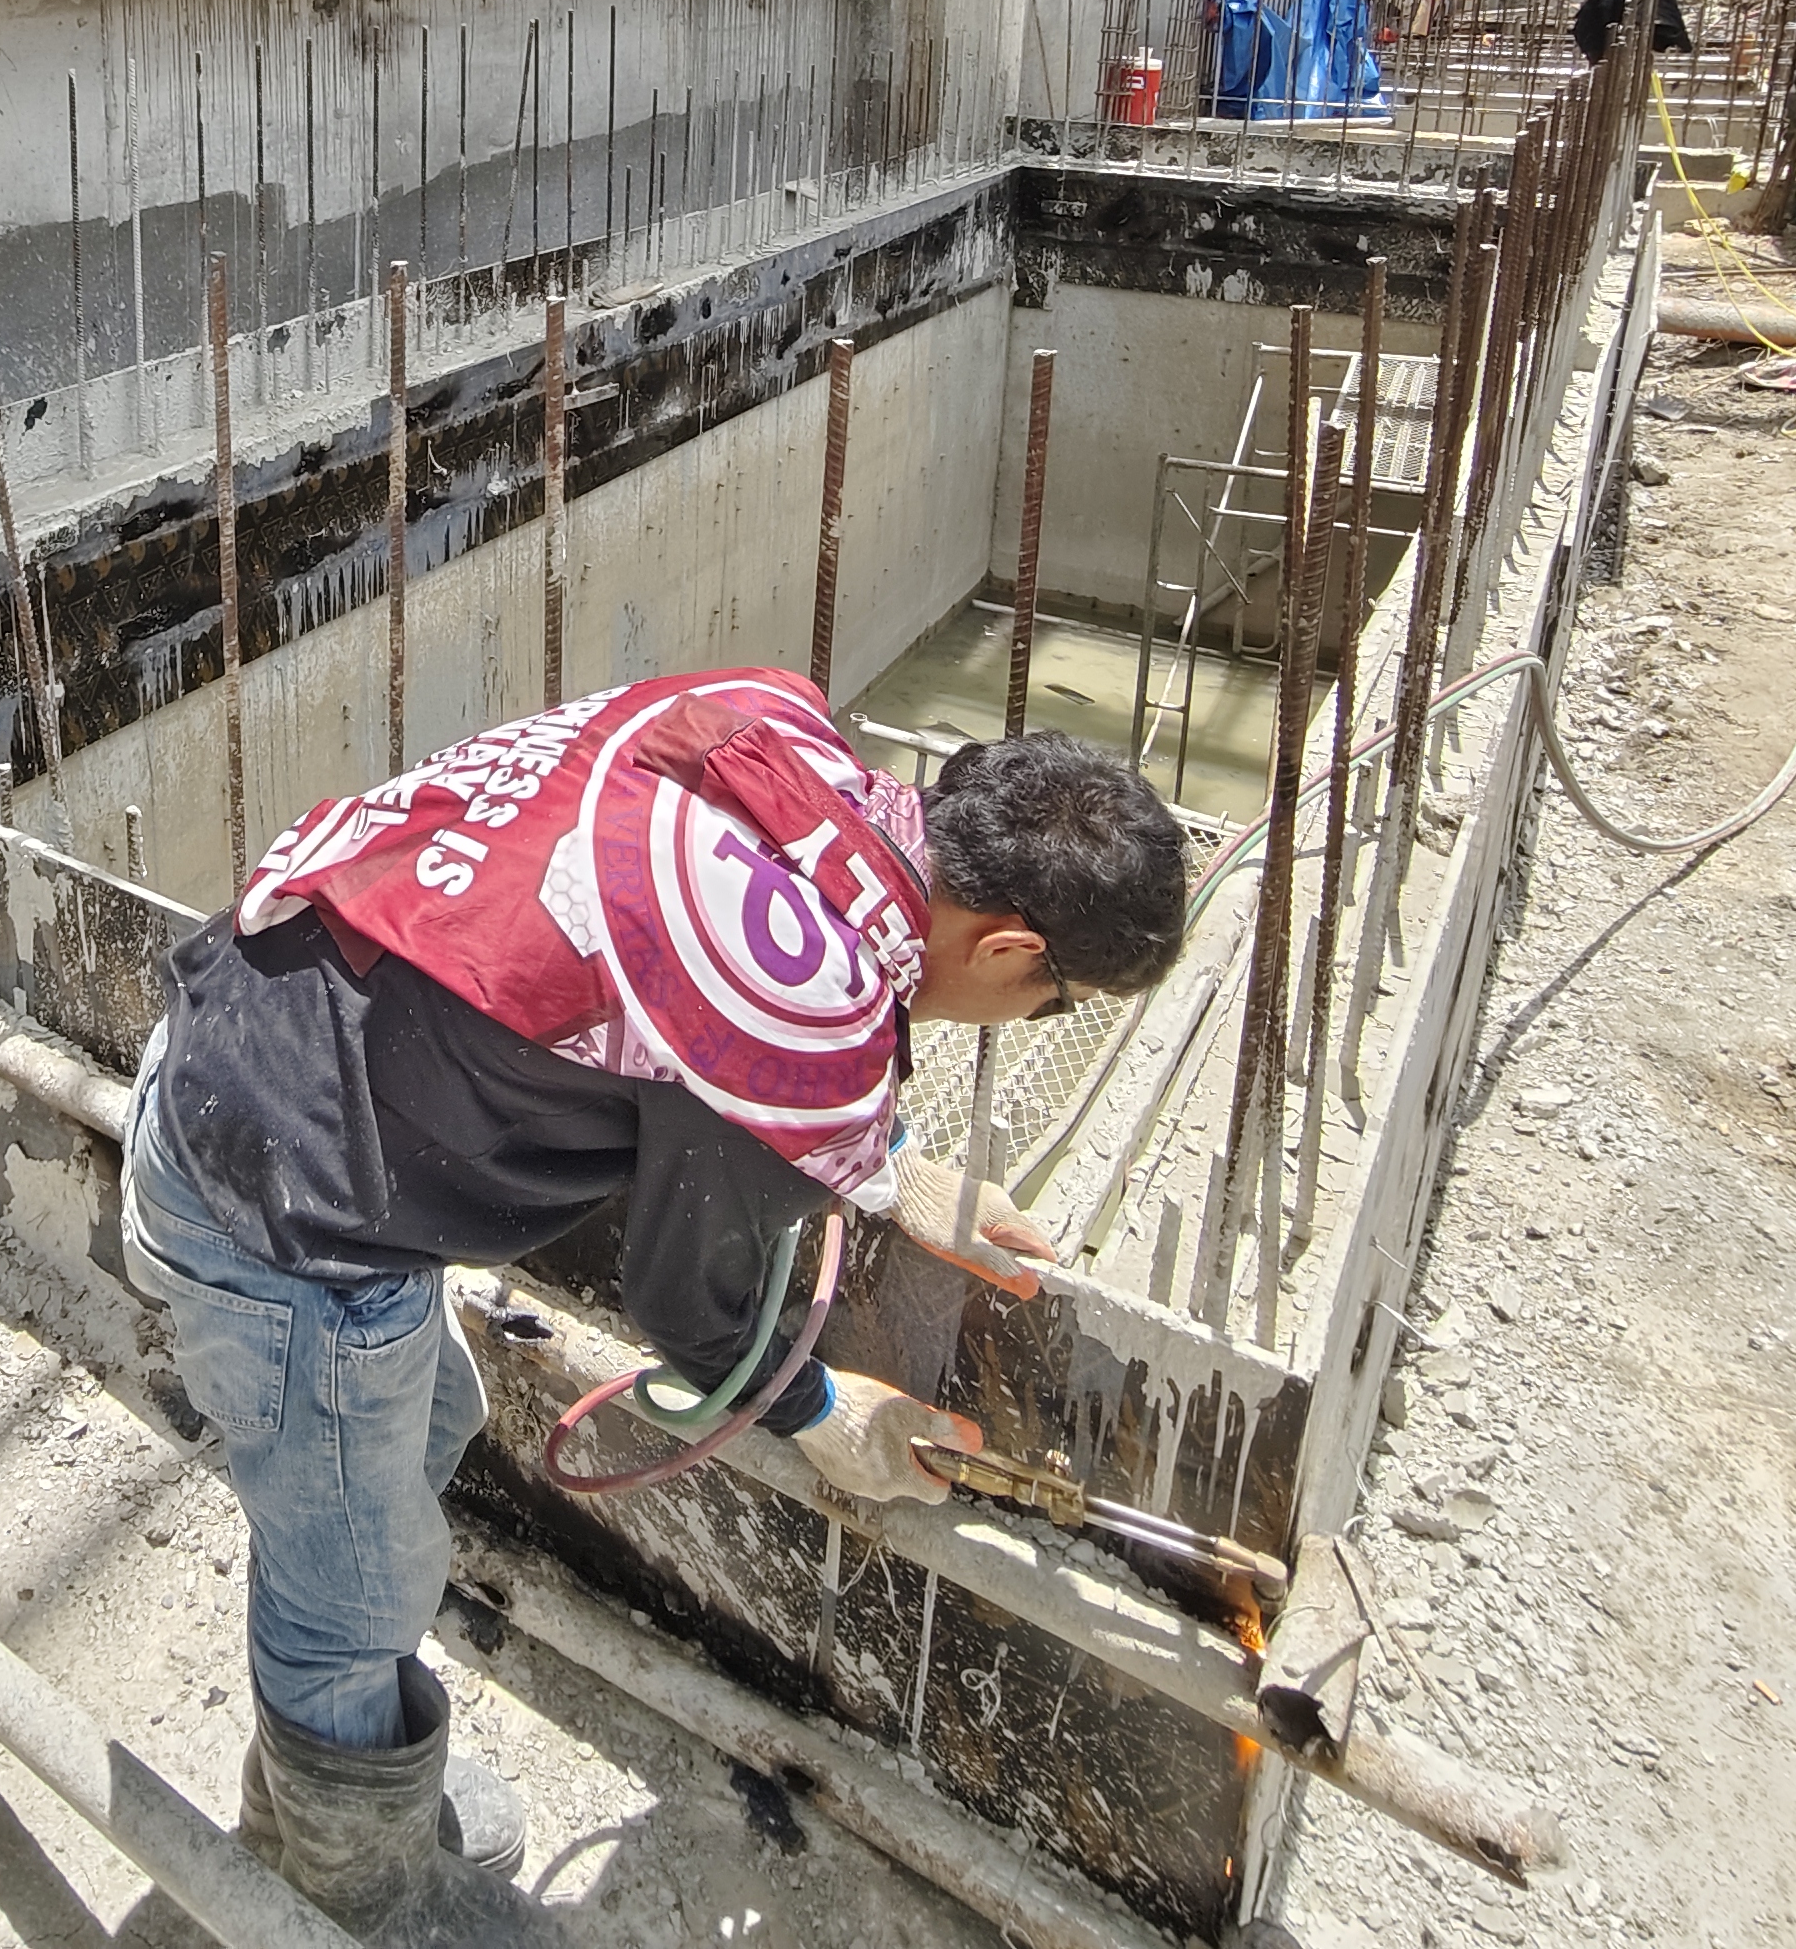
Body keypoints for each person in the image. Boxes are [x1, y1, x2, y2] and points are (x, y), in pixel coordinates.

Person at [123, 668, 1192, 1938]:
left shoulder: (766, 719)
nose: (1039, 1009)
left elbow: (679, 984)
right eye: (1054, 995)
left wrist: (883, 1164)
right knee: (350, 1595)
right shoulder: (816, 1032)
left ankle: (315, 1819)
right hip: (286, 1215)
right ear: (1012, 948)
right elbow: (692, 1309)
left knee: (411, 1452)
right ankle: (366, 1895)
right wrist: (817, 1406)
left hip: (258, 1034)